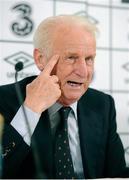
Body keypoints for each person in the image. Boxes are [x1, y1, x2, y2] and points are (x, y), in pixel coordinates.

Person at [0, 15, 129, 179]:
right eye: (71, 57)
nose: (83, 72)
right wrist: (31, 109)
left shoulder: (102, 104)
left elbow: (117, 173)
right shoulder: (4, 99)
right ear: (40, 59)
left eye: (89, 59)